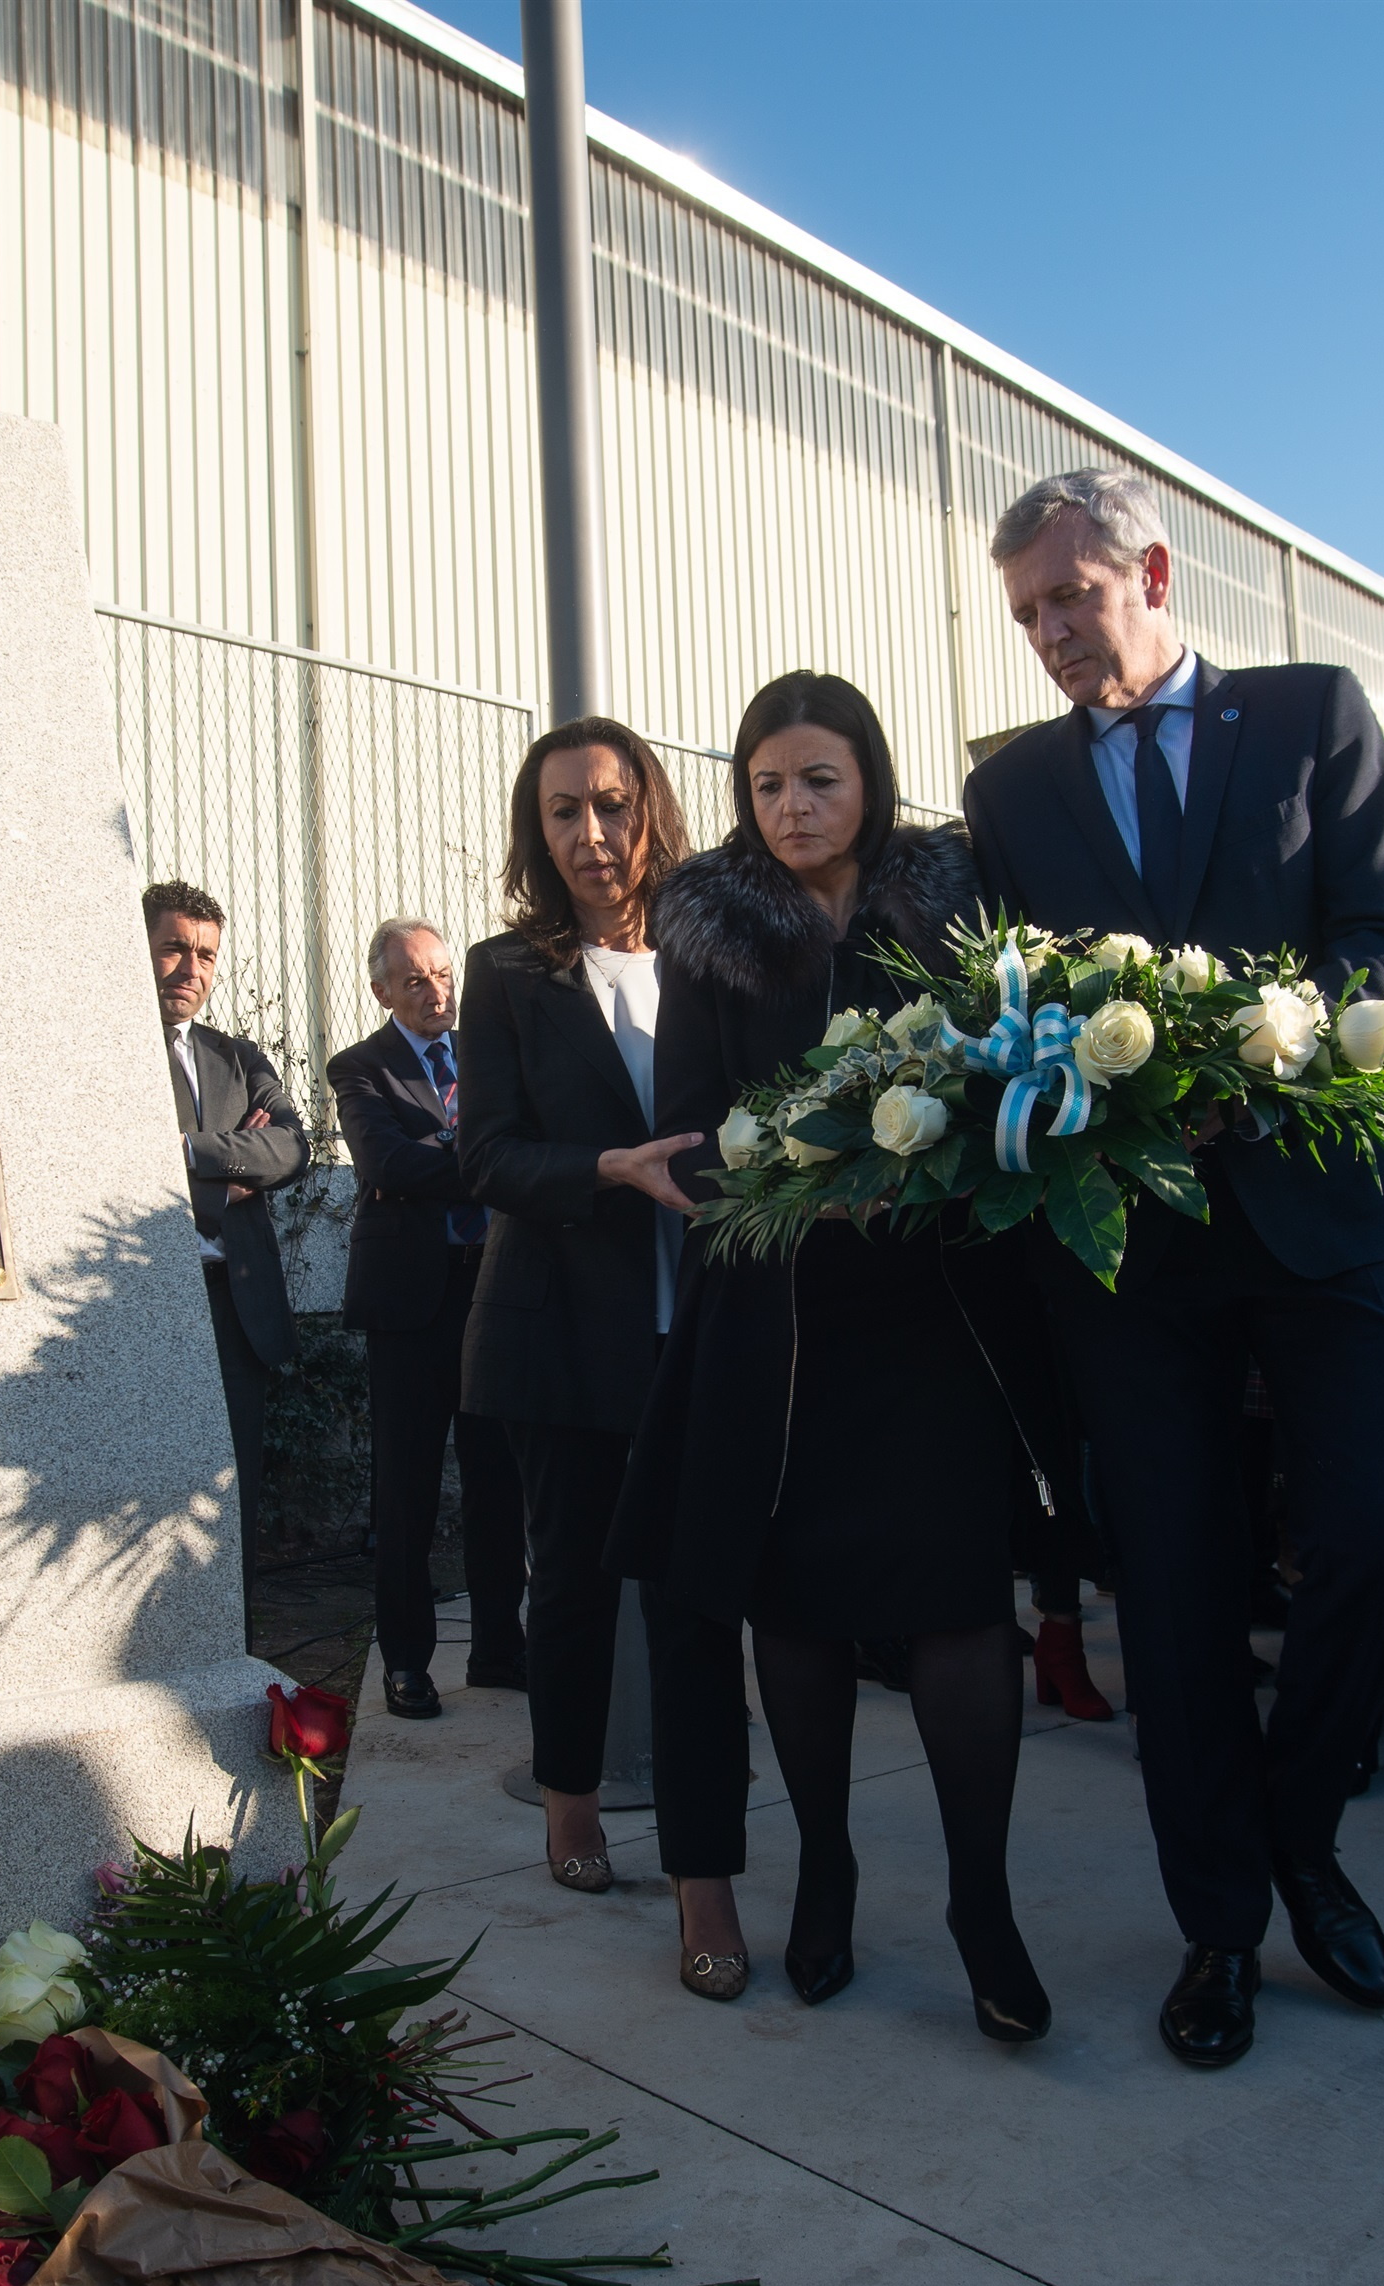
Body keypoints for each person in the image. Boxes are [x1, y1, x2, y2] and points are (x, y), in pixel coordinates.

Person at [960, 468, 1384, 2071]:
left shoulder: (1309, 715)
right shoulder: (1013, 790)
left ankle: (1302, 1834)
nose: (1045, 635)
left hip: (1324, 1203)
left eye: (1067, 600)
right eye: (1025, 614)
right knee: (1170, 1592)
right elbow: (1015, 996)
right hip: (1133, 1241)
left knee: (1378, 1533)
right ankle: (1222, 1922)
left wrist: (1273, 1046)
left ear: (1150, 570)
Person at [606, 671, 1047, 2034]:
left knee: (966, 1613)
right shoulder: (710, 937)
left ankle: (984, 1902)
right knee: (791, 1614)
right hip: (780, 1326)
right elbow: (684, 1138)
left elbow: (1010, 1082)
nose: (793, 807)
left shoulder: (953, 908)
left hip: (939, 1320)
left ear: (872, 780)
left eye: (820, 779)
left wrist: (931, 1177)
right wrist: (795, 1183)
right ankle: (829, 1875)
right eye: (767, 785)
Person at [454, 722, 703, 1901]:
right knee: (574, 1584)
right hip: (560, 1328)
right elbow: (490, 1157)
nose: (591, 834)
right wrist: (610, 1168)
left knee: (702, 1587)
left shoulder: (712, 954)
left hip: (699, 1322)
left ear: (649, 807)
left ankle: (708, 1836)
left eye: (611, 804)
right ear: (535, 829)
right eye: (563, 812)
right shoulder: (508, 973)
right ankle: (570, 1805)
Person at [329, 919, 528, 1721]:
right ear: (381, 990)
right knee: (407, 1489)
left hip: (495, 1289)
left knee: (498, 1482)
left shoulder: (488, 1055)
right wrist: (486, 1164)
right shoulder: (361, 1068)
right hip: (411, 1303)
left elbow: (496, 1147)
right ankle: (406, 1662)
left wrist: (449, 1161)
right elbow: (387, 1163)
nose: (437, 991)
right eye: (415, 981)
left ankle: (498, 1648)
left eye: (444, 975)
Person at [147, 880, 308, 1558]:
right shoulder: (100, 1054)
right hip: (149, 1300)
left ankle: (238, 1653)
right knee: (153, 1511)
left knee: (228, 1504)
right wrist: (225, 1186)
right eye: (175, 948)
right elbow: (110, 1167)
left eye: (207, 955)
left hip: (236, 1305)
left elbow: (294, 1145)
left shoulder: (238, 1057)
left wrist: (185, 1152)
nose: (192, 968)